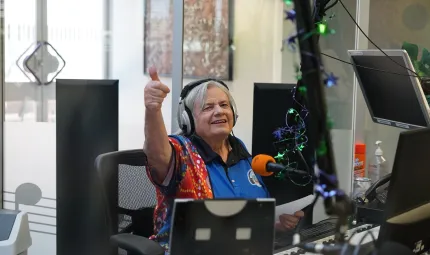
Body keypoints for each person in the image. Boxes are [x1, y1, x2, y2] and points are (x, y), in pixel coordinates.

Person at [143, 67, 304, 252]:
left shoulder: (240, 151)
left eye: (224, 105)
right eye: (208, 107)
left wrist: (277, 225)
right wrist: (153, 109)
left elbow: (244, 223)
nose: (219, 111)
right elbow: (157, 154)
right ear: (188, 119)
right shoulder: (181, 152)